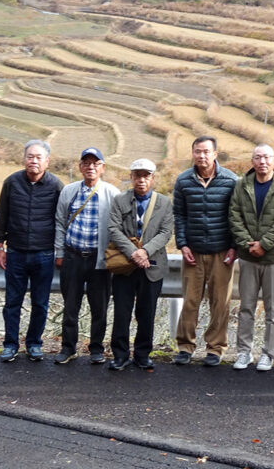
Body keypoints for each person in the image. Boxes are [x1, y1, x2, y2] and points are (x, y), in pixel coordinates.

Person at [0, 140, 63, 362]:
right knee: (12, 302)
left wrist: (59, 251)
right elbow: (1, 216)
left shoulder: (56, 186)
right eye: (30, 156)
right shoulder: (12, 183)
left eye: (38, 157)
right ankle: (10, 344)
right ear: (24, 159)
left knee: (40, 303)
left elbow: (62, 221)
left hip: (43, 254)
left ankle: (34, 344)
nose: (33, 161)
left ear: (47, 161)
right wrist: (0, 245)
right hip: (16, 253)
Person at [172, 136, 238, 367]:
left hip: (222, 252)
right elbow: (179, 215)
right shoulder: (183, 181)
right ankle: (185, 346)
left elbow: (236, 216)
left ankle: (215, 348)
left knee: (220, 303)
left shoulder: (231, 180)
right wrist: (183, 244)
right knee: (190, 301)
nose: (202, 156)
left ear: (215, 154)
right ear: (192, 154)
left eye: (206, 152)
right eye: (198, 151)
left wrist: (234, 247)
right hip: (193, 252)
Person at [229, 144, 274, 372]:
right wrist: (248, 244)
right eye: (258, 157)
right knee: (246, 306)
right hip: (248, 256)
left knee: (272, 309)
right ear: (252, 161)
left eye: (267, 157)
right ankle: (243, 352)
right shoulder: (242, 185)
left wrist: (264, 244)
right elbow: (234, 215)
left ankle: (268, 353)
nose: (262, 162)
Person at [52, 147, 120, 365]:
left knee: (99, 307)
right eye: (86, 163)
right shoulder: (69, 191)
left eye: (95, 163)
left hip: (99, 259)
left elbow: (118, 227)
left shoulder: (112, 193)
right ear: (80, 167)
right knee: (71, 305)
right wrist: (60, 252)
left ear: (102, 168)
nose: (91, 167)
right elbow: (60, 222)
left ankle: (96, 349)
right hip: (73, 257)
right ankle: (68, 348)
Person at [108, 158, 174, 372]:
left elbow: (166, 233)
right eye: (137, 175)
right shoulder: (120, 200)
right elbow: (113, 229)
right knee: (121, 312)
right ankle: (120, 355)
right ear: (131, 177)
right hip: (124, 265)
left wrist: (145, 251)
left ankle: (143, 354)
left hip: (152, 265)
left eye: (146, 175)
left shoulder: (164, 203)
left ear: (153, 178)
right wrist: (134, 252)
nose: (141, 179)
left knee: (147, 312)